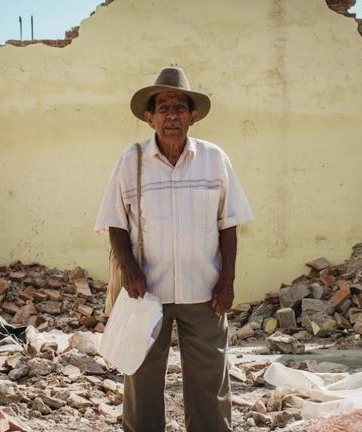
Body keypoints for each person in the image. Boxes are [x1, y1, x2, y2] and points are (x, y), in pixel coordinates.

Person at [95, 67, 254, 432]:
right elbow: (115, 223)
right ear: (149, 117)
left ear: (192, 116)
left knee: (210, 379)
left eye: (179, 108)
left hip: (205, 291)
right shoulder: (130, 161)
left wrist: (227, 281)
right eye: (163, 108)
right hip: (146, 293)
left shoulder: (215, 160)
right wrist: (130, 271)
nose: (171, 116)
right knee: (142, 377)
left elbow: (229, 224)